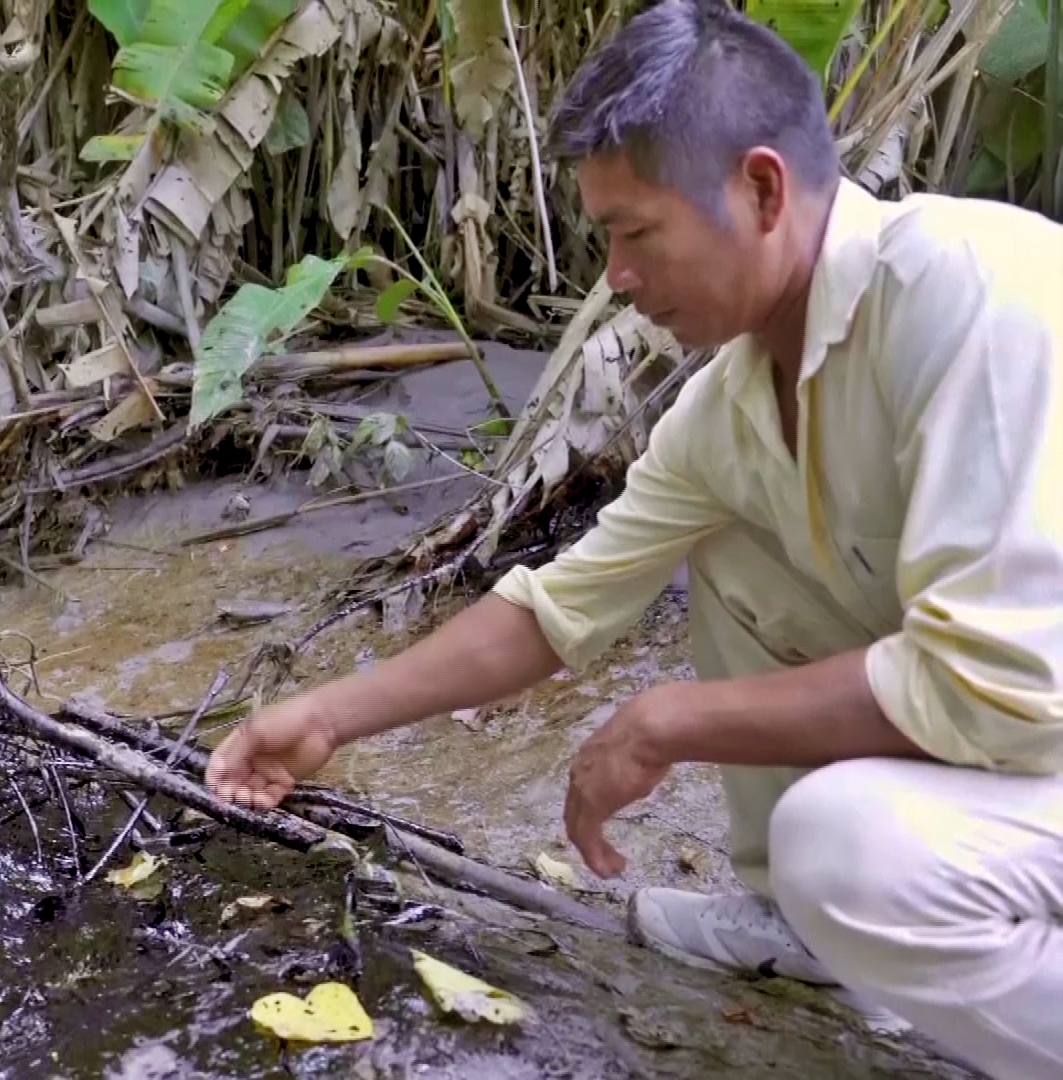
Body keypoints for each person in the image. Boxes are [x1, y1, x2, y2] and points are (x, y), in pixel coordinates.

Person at [203, 1, 1063, 1077]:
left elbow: (992, 678)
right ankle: (809, 935)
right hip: (1031, 765)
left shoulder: (975, 289)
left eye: (634, 233)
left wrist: (667, 720)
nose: (615, 276)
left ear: (761, 189)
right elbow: (563, 607)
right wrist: (322, 718)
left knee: (851, 850)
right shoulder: (733, 404)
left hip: (1036, 732)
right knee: (738, 551)